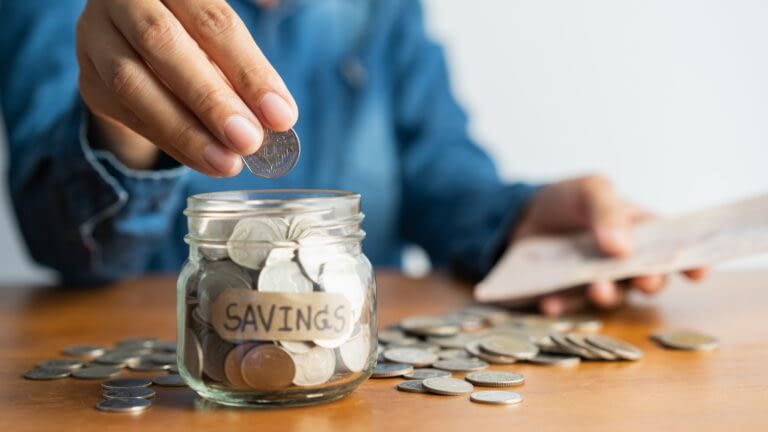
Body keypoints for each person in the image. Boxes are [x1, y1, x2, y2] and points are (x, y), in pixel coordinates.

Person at [0, 0, 705, 315]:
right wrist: (119, 124)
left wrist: (520, 218)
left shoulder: (381, 7)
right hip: (169, 374)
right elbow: (65, 245)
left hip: (362, 376)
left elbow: (440, 175)